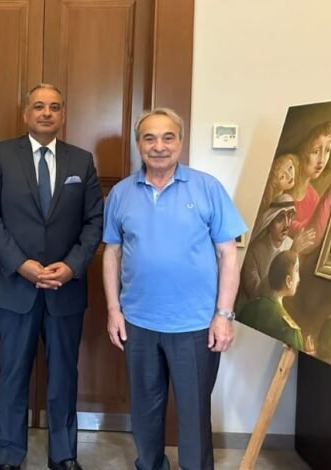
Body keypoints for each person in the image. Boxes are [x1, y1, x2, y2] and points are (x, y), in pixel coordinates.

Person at [103, 108, 246, 470]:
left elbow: (229, 254)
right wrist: (114, 311)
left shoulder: (207, 187)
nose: (159, 146)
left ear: (180, 142)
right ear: (138, 144)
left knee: (194, 414)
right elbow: (111, 253)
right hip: (138, 322)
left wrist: (224, 315)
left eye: (168, 137)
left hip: (195, 325)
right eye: (149, 138)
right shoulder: (120, 194)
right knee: (144, 410)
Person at [0, 83, 103, 470]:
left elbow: (94, 221)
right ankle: (9, 455)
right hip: (14, 285)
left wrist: (72, 265)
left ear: (63, 115)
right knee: (13, 374)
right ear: (26, 113)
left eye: (55, 107)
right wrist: (21, 264)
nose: (47, 113)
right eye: (39, 106)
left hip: (65, 288)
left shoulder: (82, 160)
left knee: (64, 375)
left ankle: (63, 455)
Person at [289, 121, 331, 249]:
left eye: (327, 150)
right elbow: (305, 234)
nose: (322, 160)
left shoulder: (314, 198)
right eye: (315, 151)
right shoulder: (282, 189)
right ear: (302, 150)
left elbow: (314, 238)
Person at [240, 194, 315, 302]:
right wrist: (291, 253)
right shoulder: (253, 253)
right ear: (269, 223)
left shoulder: (291, 244)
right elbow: (257, 295)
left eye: (290, 216)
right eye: (280, 218)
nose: (287, 224)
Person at [239, 250, 305, 351]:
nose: (299, 279)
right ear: (288, 281)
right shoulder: (291, 331)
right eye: (296, 270)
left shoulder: (249, 307)